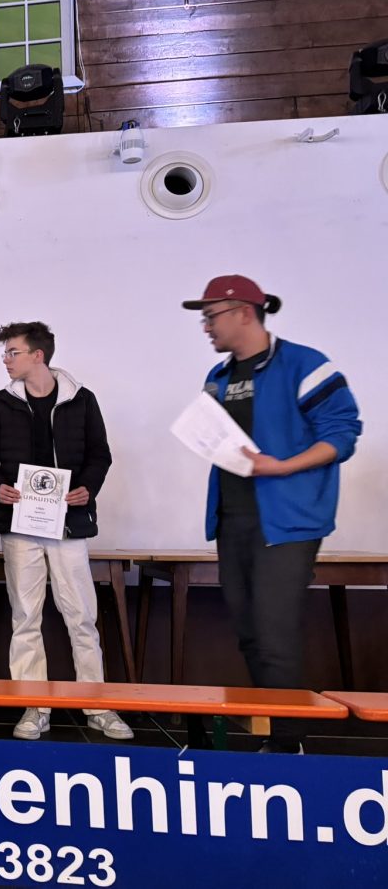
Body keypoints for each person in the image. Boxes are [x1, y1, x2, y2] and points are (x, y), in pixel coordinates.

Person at [182, 275, 361, 753]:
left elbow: (342, 434)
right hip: (232, 519)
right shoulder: (218, 377)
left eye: (211, 316)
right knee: (249, 634)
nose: (206, 326)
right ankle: (278, 737)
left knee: (274, 633)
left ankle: (287, 746)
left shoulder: (305, 364)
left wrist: (282, 466)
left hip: (288, 523)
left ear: (244, 312)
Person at [0, 321, 133, 742]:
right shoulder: (0, 403)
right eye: (5, 353)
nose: (6, 359)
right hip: (19, 526)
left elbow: (100, 455)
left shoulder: (82, 399)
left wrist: (87, 488)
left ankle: (97, 705)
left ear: (37, 355)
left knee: (82, 616)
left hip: (69, 524)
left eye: (13, 352)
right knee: (26, 617)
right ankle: (34, 707)